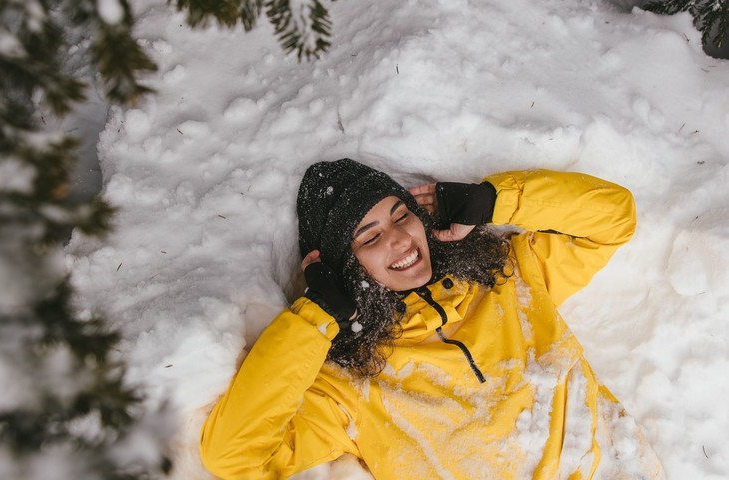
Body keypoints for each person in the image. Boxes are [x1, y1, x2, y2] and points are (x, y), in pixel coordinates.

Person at [200, 159, 664, 479]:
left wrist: (494, 201)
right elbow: (233, 456)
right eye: (370, 236)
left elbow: (613, 218)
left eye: (402, 215)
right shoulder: (350, 384)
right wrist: (315, 317)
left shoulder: (508, 277)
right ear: (345, 268)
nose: (400, 239)